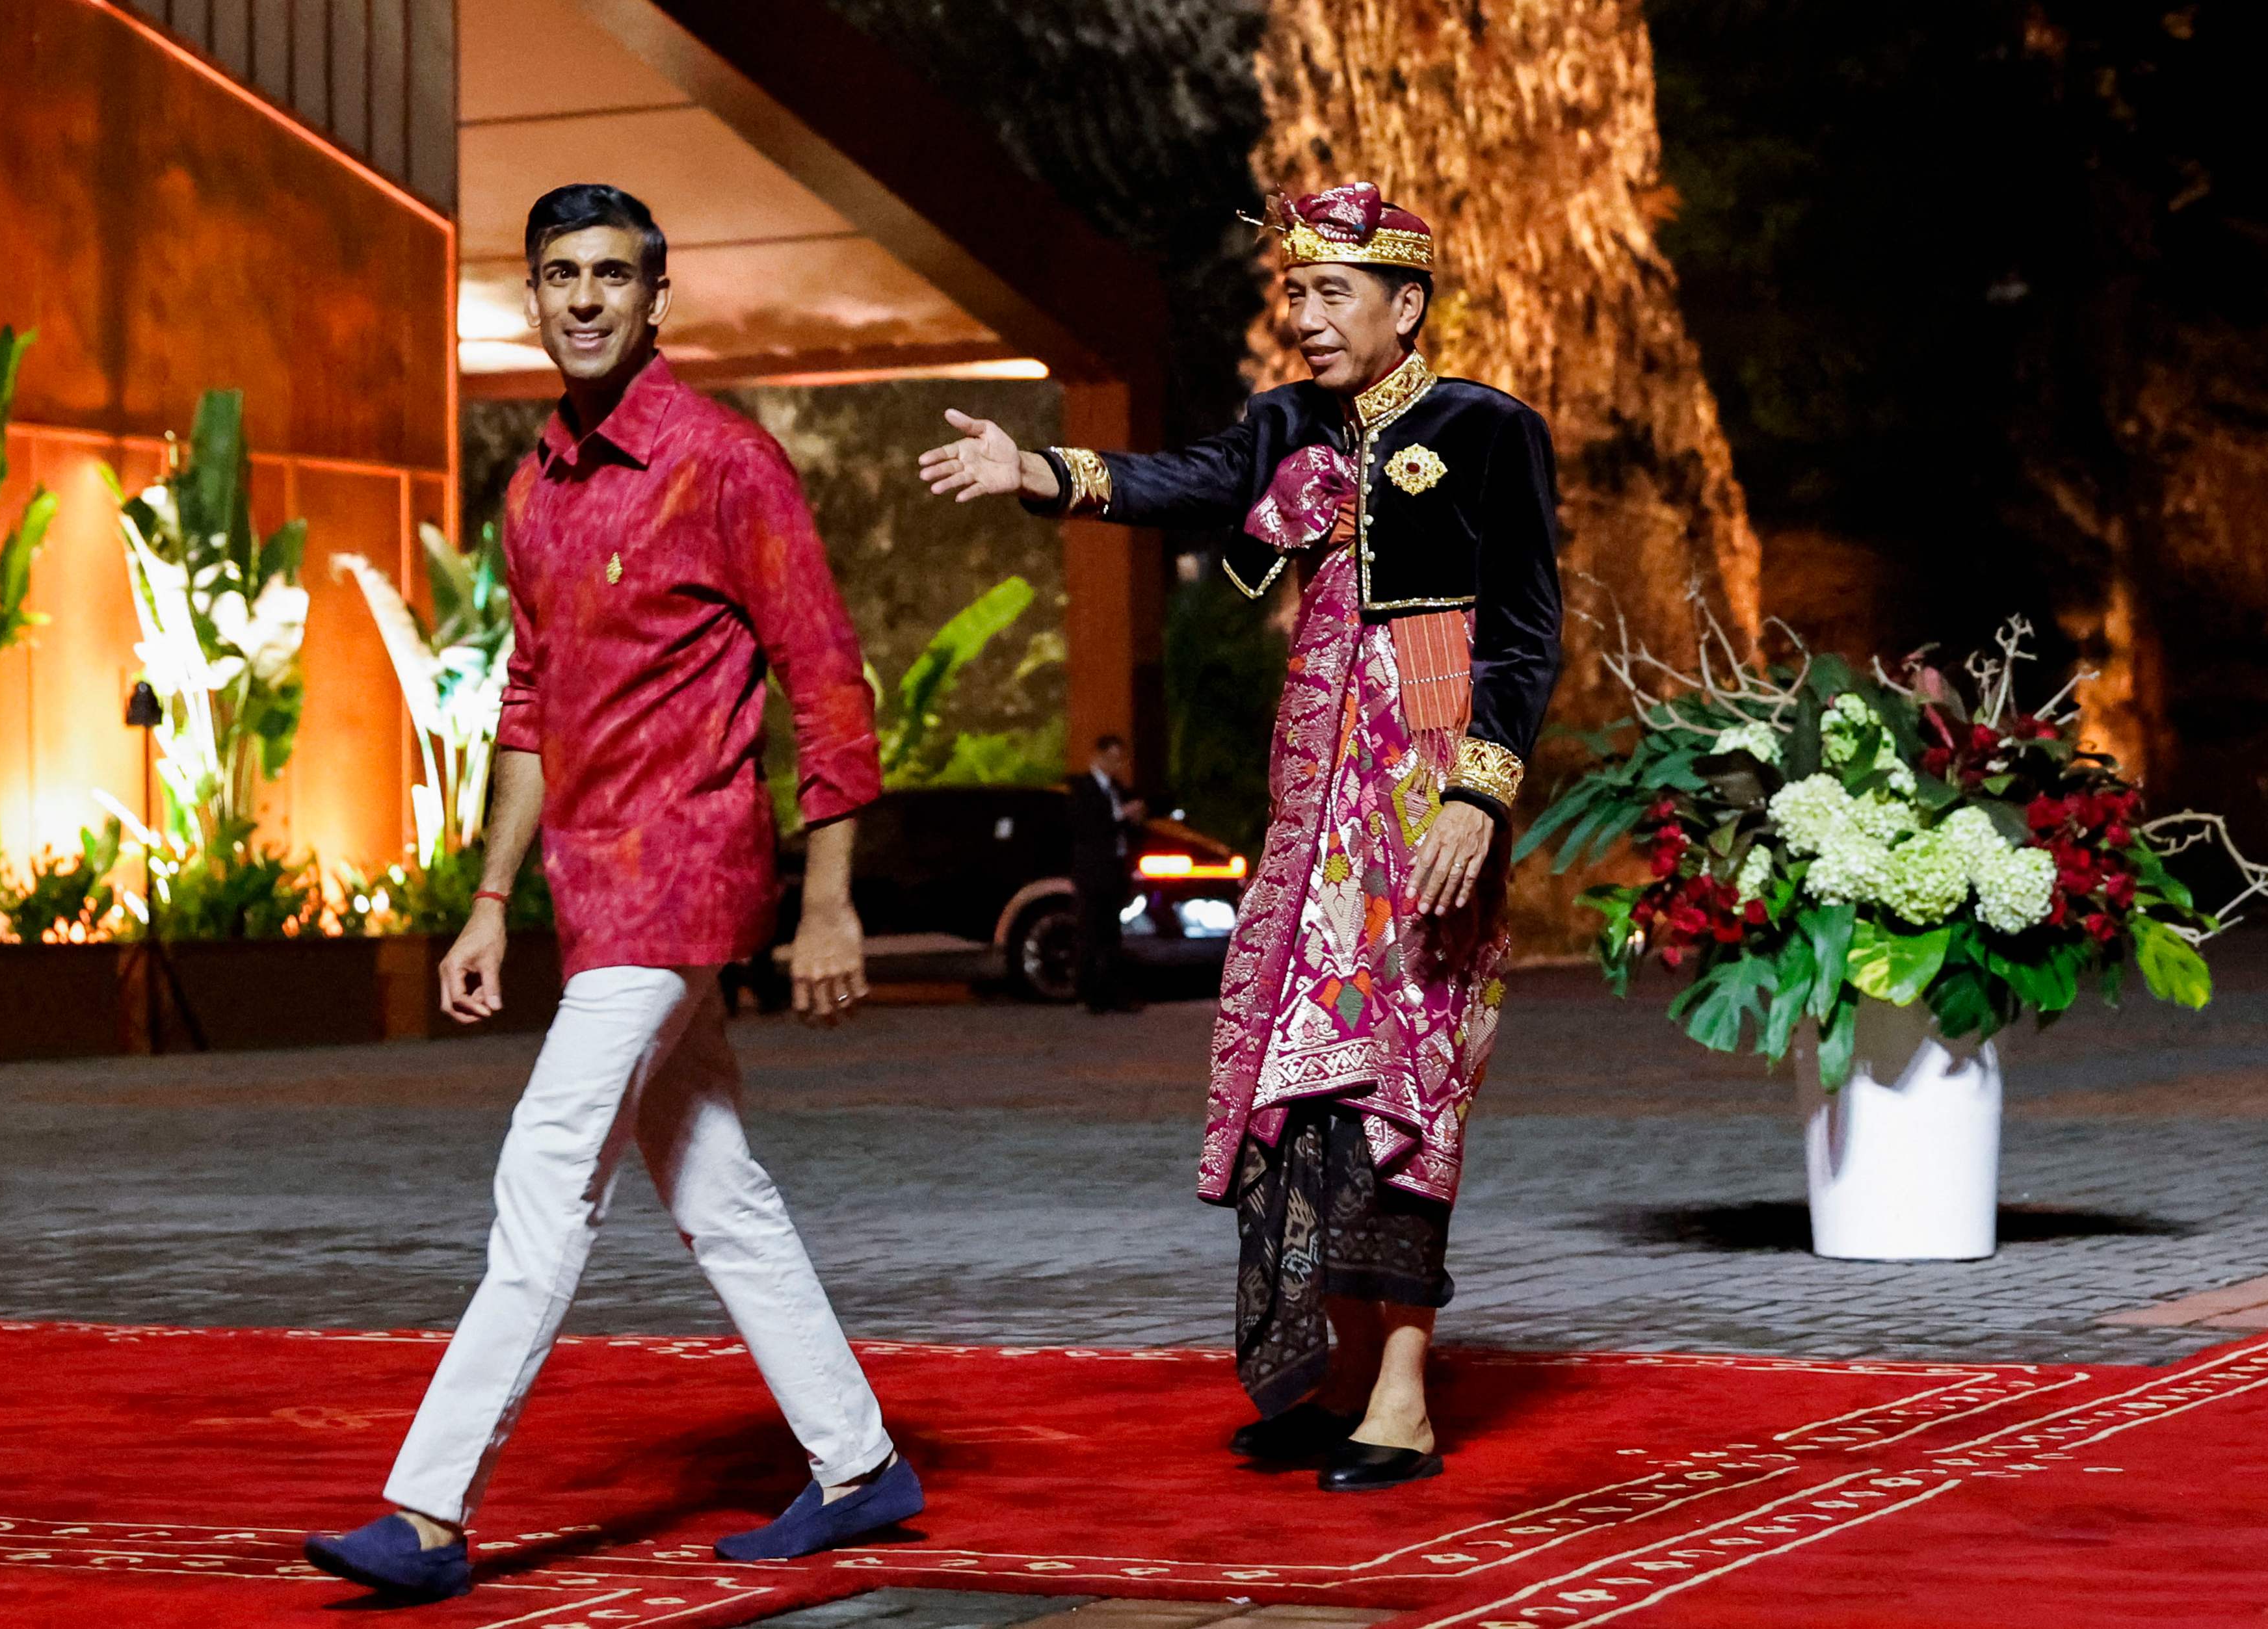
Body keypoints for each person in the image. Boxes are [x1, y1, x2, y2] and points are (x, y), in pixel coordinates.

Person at [305, 183, 923, 1603]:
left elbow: (826, 680)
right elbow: (527, 703)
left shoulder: (723, 461)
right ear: (532, 296)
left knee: (545, 1165)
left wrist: (830, 899)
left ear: (658, 297)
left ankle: (429, 1508)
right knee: (716, 1187)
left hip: (686, 870)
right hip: (590, 886)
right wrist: (486, 894)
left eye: (611, 276)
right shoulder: (533, 489)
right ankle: (857, 1461)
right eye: (558, 276)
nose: (582, 298)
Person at [921, 182, 1561, 1495]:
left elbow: (1523, 631)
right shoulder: (1283, 427)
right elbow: (1180, 480)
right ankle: (1328, 1367)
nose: (1306, 317)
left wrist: (1475, 795)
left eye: (1332, 294)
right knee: (1294, 1082)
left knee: (1403, 1077)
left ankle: (1401, 1390)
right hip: (1309, 804)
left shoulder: (1487, 429)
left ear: (1406, 304)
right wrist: (1034, 468)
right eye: (1294, 293)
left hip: (1424, 804)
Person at [1067, 733, 1148, 1012]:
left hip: (1114, 871)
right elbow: (1088, 827)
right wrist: (1121, 815)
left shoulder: (1117, 788)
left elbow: (1125, 829)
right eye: (1112, 759)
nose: (1117, 765)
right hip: (1092, 873)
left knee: (1112, 935)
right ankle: (1089, 994)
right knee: (1091, 933)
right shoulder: (1083, 788)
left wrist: (1134, 820)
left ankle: (1113, 993)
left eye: (1120, 759)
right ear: (1098, 757)